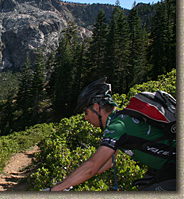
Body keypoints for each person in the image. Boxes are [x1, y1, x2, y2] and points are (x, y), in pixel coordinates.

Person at [44, 78, 176, 191]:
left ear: (96, 107)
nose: (86, 118)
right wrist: (69, 183)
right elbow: (107, 164)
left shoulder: (118, 126)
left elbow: (92, 166)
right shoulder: (121, 120)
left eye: (86, 112)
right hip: (166, 168)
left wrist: (54, 190)